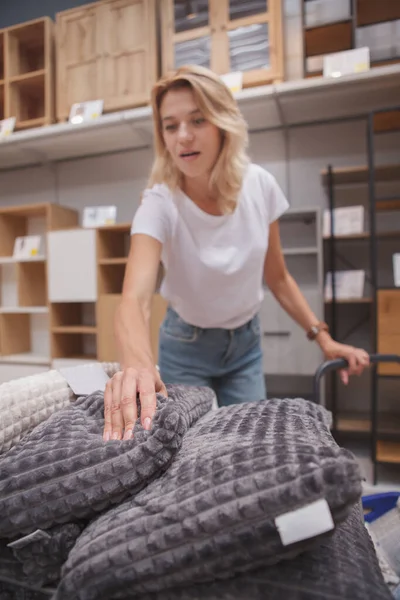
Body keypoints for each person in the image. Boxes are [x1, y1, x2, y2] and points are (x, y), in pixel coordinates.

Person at [102, 65, 370, 442]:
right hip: (185, 346)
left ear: (222, 122)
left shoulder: (260, 186)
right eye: (170, 125)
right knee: (188, 452)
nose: (184, 136)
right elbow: (135, 298)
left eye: (198, 120)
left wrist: (324, 338)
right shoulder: (160, 201)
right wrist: (138, 367)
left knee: (247, 445)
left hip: (245, 347)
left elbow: (277, 277)